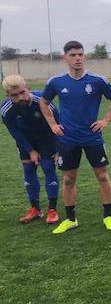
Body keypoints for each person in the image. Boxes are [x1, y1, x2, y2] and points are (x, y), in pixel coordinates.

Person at [40, 40, 111, 234]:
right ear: (65, 58)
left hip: (92, 137)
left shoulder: (98, 80)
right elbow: (44, 103)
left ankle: (108, 216)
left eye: (80, 55)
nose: (77, 58)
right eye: (73, 55)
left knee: (102, 175)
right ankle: (71, 219)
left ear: (84, 56)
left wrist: (105, 120)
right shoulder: (56, 82)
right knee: (68, 179)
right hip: (68, 139)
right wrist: (52, 124)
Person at [2, 75, 60, 224]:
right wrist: (30, 150)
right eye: (15, 95)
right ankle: (35, 209)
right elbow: (15, 132)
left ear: (28, 88)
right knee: (28, 169)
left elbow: (58, 122)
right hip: (26, 140)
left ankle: (52, 210)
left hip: (47, 137)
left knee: (48, 167)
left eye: (23, 92)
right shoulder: (6, 109)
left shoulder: (42, 101)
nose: (21, 97)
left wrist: (59, 147)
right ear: (8, 96)